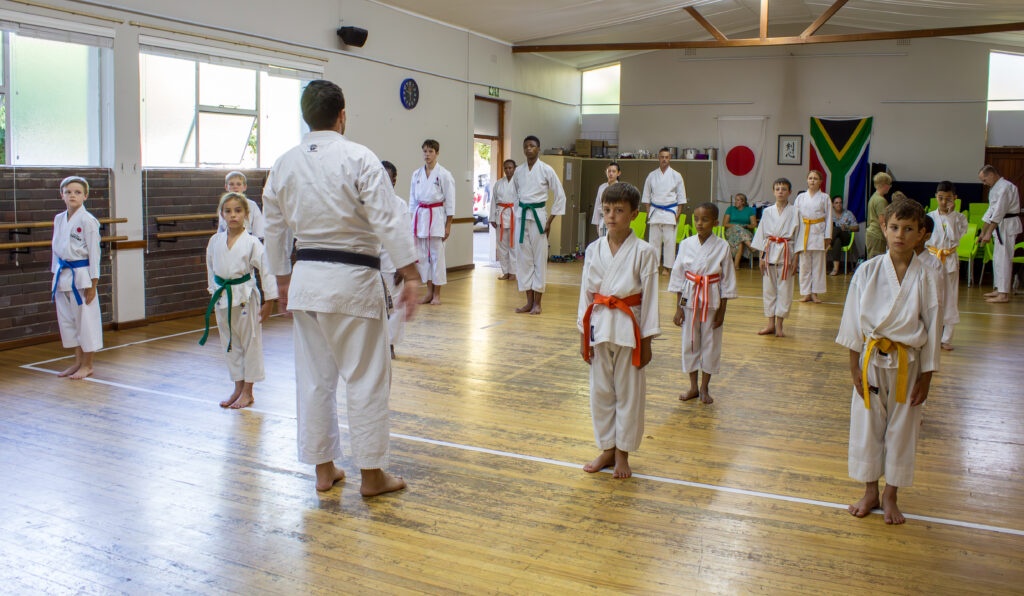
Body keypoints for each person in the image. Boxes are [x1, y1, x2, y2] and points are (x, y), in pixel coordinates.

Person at [262, 80, 419, 496]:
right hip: (353, 281)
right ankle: (372, 476)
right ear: (342, 116)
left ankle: (323, 470)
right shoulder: (359, 158)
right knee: (365, 379)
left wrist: (281, 279)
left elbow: (274, 228)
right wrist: (411, 273)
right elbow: (387, 218)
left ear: (305, 117)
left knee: (314, 380)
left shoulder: (283, 164)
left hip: (306, 280)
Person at [837, 198, 940, 525]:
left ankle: (891, 495)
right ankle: (870, 490)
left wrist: (928, 376)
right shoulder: (867, 270)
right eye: (894, 227)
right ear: (884, 227)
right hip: (871, 360)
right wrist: (854, 366)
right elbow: (852, 322)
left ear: (921, 234)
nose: (900, 235)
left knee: (903, 428)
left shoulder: (927, 275)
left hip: (908, 362)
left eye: (909, 229)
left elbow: (934, 327)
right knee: (867, 425)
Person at [578, 182, 660, 479]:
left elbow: (650, 298)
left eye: (619, 210)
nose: (611, 216)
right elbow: (586, 293)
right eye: (607, 210)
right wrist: (582, 334)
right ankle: (607, 448)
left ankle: (623, 453)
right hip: (599, 326)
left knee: (628, 393)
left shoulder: (645, 251)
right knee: (600, 392)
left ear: (634, 214)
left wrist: (647, 340)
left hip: (629, 329)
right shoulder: (593, 249)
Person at [200, 192, 278, 409]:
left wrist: (269, 301)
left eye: (238, 211)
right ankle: (237, 386)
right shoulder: (215, 241)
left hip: (245, 296)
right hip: (222, 296)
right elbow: (210, 267)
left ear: (246, 214)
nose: (233, 215)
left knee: (250, 343)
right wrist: (213, 291)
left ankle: (248, 391)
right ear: (222, 214)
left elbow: (266, 269)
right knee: (229, 344)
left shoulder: (252, 242)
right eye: (228, 211)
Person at [669, 202, 738, 405]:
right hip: (689, 296)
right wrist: (678, 308)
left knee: (710, 342)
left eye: (705, 220)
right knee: (689, 342)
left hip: (712, 298)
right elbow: (679, 276)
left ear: (715, 223)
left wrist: (722, 311)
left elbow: (727, 280)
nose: (699, 223)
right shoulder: (686, 244)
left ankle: (705, 387)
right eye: (696, 219)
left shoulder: (722, 246)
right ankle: (692, 386)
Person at [51, 176, 102, 380]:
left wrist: (93, 283)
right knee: (69, 321)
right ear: (61, 195)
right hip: (62, 275)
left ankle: (88, 365)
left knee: (85, 322)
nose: (72, 195)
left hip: (82, 277)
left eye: (77, 192)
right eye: (68, 192)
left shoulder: (88, 220)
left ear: (85, 196)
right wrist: (54, 274)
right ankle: (77, 362)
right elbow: (55, 250)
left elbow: (95, 254)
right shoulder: (59, 219)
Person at [513, 135, 567, 315]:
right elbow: (515, 196)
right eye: (526, 146)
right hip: (522, 217)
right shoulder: (519, 171)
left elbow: (560, 195)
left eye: (532, 146)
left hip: (539, 217)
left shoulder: (546, 170)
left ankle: (538, 303)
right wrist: (517, 215)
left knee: (539, 260)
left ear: (538, 149)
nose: (528, 148)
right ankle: (528, 302)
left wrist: (549, 221)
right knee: (523, 261)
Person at [751, 178, 799, 337]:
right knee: (768, 290)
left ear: (789, 192)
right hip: (769, 251)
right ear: (773, 191)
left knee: (785, 291)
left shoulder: (795, 211)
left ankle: (779, 325)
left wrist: (796, 258)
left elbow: (799, 236)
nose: (780, 192)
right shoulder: (767, 211)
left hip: (786, 252)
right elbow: (761, 235)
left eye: (784, 189)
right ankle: (770, 324)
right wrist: (761, 257)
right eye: (777, 189)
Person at [409, 139, 455, 305]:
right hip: (420, 218)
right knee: (423, 258)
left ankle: (437, 294)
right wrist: (411, 222)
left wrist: (448, 225)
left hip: (436, 218)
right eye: (425, 151)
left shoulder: (444, 174)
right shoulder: (416, 174)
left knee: (437, 257)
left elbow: (450, 201)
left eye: (430, 151)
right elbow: (412, 201)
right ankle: (428, 293)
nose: (427, 155)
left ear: (437, 153)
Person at [926, 182, 968, 350]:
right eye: (940, 198)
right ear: (936, 197)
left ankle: (946, 338)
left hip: (949, 259)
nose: (944, 202)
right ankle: (930, 335)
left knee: (951, 298)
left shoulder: (960, 218)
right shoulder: (929, 217)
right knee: (930, 297)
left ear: (955, 198)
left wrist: (950, 216)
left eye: (948, 199)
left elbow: (955, 237)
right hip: (931, 258)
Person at [978, 164, 1021, 303]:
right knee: (997, 259)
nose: (984, 183)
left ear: (991, 175)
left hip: (1007, 225)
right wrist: (983, 231)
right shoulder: (995, 188)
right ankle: (998, 288)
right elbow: (990, 211)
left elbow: (999, 212)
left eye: (984, 180)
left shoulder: (1005, 188)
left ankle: (1004, 294)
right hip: (1000, 225)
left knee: (1004, 259)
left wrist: (989, 232)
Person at [381, 160, 411, 358]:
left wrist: (403, 267)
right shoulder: (366, 204)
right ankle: (378, 344)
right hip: (371, 263)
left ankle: (390, 344)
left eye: (387, 177)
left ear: (394, 180)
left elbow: (406, 235)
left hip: (393, 262)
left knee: (396, 305)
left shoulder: (400, 205)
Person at [642, 148, 687, 275]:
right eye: (662, 157)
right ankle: (654, 265)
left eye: (666, 157)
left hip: (670, 211)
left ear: (670, 158)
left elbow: (681, 197)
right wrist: (648, 212)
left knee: (669, 242)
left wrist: (678, 213)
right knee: (653, 241)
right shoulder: (651, 175)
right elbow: (646, 196)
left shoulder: (676, 175)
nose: (664, 159)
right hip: (655, 211)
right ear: (658, 158)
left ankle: (667, 267)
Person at [794, 170, 833, 303]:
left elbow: (829, 218)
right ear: (807, 180)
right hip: (803, 232)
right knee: (804, 265)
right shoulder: (800, 197)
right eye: (810, 178)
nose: (812, 180)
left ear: (820, 181)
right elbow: (795, 217)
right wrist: (795, 235)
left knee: (818, 265)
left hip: (818, 232)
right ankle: (806, 293)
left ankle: (815, 293)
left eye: (815, 178)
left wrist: (828, 236)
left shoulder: (825, 197)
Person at [490, 159, 517, 280]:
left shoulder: (519, 183)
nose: (508, 170)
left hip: (514, 215)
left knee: (514, 245)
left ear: (514, 168)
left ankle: (513, 272)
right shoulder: (498, 184)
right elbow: (493, 201)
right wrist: (492, 218)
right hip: (500, 215)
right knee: (502, 246)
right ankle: (505, 272)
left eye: (510, 168)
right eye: (506, 168)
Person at [217, 171, 266, 239]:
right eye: (231, 184)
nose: (235, 187)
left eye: (239, 184)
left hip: (248, 237)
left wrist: (255, 240)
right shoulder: (224, 205)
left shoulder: (252, 205)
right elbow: (221, 226)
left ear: (244, 187)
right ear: (226, 187)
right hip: (228, 237)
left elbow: (258, 227)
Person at [723, 193, 757, 268]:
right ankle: (751, 246)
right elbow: (725, 224)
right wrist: (737, 226)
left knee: (739, 241)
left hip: (745, 231)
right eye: (735, 200)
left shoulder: (750, 210)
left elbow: (754, 225)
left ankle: (736, 265)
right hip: (730, 231)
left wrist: (746, 226)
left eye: (738, 200)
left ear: (743, 202)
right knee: (737, 228)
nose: (735, 202)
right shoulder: (730, 209)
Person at [829, 195, 860, 275]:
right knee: (837, 241)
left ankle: (828, 244)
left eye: (840, 203)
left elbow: (857, 228)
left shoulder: (848, 213)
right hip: (835, 238)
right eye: (836, 203)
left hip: (846, 237)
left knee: (837, 229)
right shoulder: (830, 214)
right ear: (833, 204)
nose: (839, 204)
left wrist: (847, 227)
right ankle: (835, 269)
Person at [591, 162, 621, 239]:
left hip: (615, 220)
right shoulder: (602, 187)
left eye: (613, 171)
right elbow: (597, 205)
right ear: (606, 172)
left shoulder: (621, 188)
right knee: (603, 242)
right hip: (603, 220)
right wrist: (597, 224)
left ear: (618, 173)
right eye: (609, 171)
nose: (611, 173)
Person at [865, 172, 891, 260]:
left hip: (872, 234)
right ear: (884, 185)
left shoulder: (873, 197)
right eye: (889, 184)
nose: (889, 187)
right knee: (876, 261)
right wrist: (887, 237)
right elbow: (882, 221)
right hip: (877, 235)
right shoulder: (881, 201)